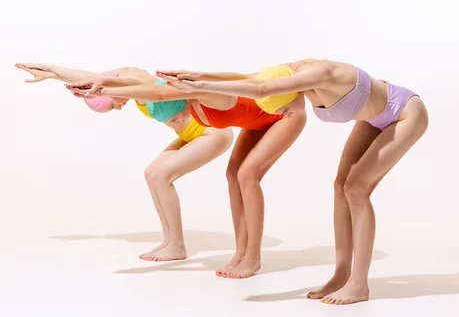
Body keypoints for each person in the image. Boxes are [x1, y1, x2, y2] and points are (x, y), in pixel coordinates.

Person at [155, 59, 428, 304]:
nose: (286, 114)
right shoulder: (289, 72)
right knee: (339, 187)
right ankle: (341, 274)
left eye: (284, 108)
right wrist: (200, 75)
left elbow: (261, 91)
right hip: (373, 117)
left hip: (404, 113)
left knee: (356, 189)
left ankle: (359, 284)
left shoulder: (319, 73)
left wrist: (199, 86)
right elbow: (247, 78)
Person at [68, 66, 307, 279]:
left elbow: (160, 92)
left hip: (285, 116)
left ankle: (252, 258)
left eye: (174, 119)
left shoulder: (206, 98)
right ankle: (240, 254)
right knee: (232, 176)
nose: (174, 124)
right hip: (257, 121)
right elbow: (150, 91)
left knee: (247, 176)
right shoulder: (185, 100)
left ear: (183, 109)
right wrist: (77, 80)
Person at [15, 62, 233, 262]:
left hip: (212, 133)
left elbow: (100, 80)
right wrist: (52, 73)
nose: (118, 108)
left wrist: (54, 71)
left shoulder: (140, 86)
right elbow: (90, 77)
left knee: (161, 175)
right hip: (191, 134)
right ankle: (169, 241)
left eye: (112, 106)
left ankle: (177, 246)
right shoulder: (127, 78)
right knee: (152, 174)